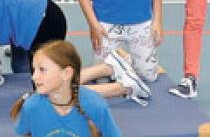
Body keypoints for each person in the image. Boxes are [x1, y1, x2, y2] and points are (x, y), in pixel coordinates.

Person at [11, 40, 141, 137]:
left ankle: (123, 83)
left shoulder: (95, 105)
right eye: (34, 70)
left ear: (66, 73)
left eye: (42, 70)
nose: (34, 77)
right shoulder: (31, 107)